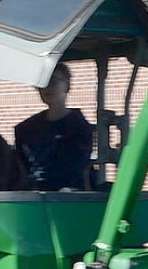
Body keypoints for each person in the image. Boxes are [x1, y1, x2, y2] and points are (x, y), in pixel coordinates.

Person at [14, 62, 93, 191]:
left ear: (67, 86)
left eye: (53, 81)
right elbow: (20, 166)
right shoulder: (26, 129)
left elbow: (76, 167)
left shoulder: (78, 127)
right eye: (42, 82)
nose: (47, 87)